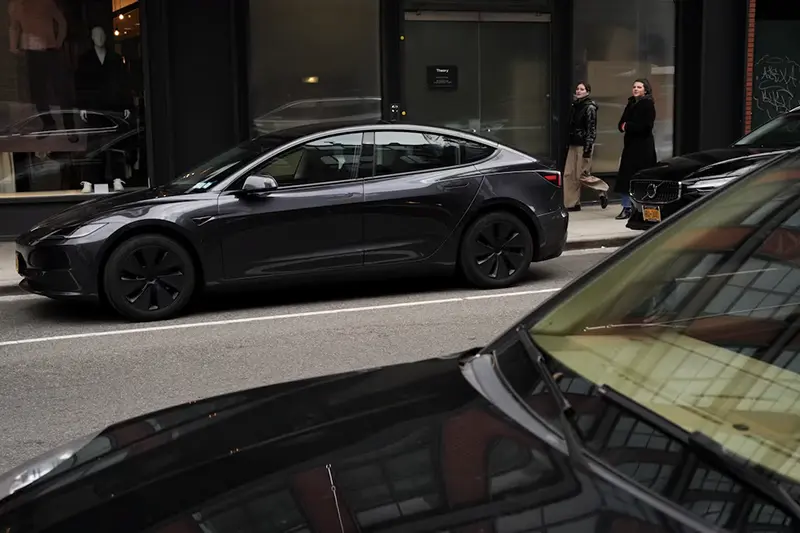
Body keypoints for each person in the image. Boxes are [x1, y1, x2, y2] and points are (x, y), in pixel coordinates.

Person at [614, 78, 657, 220]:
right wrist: (624, 126)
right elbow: (621, 123)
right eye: (634, 87)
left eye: (639, 87)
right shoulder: (631, 103)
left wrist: (628, 126)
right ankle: (626, 207)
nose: (636, 89)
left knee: (641, 178)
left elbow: (646, 127)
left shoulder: (648, 104)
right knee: (625, 178)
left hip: (643, 148)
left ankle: (641, 208)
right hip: (630, 147)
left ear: (645, 89)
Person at [564, 82, 608, 211]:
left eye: (582, 89)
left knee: (581, 175)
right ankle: (572, 203)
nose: (578, 91)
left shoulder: (590, 108)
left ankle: (602, 188)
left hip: (583, 145)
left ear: (587, 92)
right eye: (577, 89)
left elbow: (591, 129)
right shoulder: (575, 106)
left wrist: (588, 149)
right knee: (568, 175)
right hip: (573, 143)